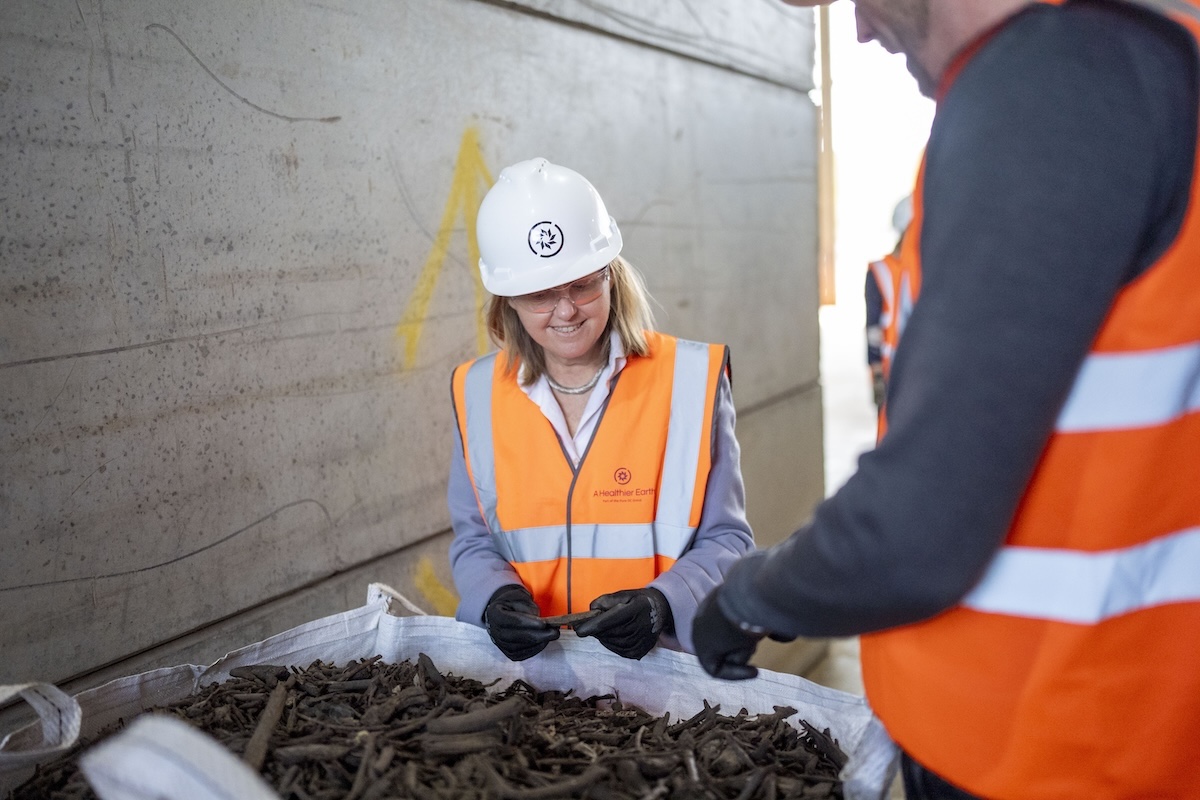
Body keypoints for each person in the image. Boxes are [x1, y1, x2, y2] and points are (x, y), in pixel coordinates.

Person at [692, 1, 1200, 799]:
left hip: (1050, 748)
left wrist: (756, 593)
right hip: (1120, 731)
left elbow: (918, 526)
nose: (859, 27)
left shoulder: (1052, 82)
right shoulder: (1142, 55)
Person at [448, 157, 754, 665]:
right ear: (507, 301)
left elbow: (728, 539)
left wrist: (663, 603)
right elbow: (474, 538)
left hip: (661, 679)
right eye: (540, 294)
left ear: (611, 274)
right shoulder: (476, 392)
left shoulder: (691, 379)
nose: (566, 310)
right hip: (531, 681)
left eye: (583, 284)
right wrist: (492, 598)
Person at [865, 194, 913, 416]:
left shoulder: (880, 270)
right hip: (894, 370)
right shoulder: (881, 271)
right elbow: (873, 327)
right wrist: (876, 373)